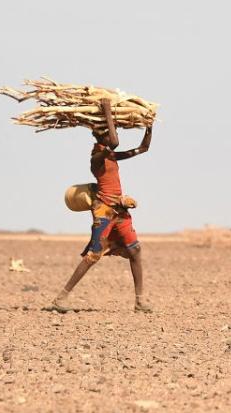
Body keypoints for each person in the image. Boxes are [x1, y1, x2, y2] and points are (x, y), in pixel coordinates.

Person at [51, 98, 153, 313]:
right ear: (100, 135)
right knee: (93, 256)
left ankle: (140, 301)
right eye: (107, 132)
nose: (112, 135)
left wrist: (148, 125)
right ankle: (61, 298)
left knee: (135, 250)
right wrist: (107, 111)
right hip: (104, 211)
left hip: (120, 210)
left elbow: (143, 148)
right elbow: (114, 142)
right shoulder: (97, 157)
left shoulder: (112, 156)